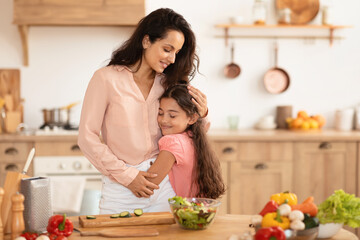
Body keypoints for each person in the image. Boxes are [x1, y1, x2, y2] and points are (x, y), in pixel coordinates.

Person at [77, 8, 208, 214]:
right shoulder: (106, 79)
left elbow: (193, 132)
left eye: (177, 52)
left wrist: (203, 112)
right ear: (147, 41)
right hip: (122, 189)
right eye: (167, 49)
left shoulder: (169, 83)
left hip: (164, 185)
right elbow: (87, 138)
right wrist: (128, 177)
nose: (173, 59)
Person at [147, 84, 225, 199]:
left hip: (184, 211)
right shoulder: (193, 136)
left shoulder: (172, 142)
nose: (163, 120)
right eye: (160, 113)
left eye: (172, 115)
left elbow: (150, 182)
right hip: (201, 209)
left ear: (192, 118)